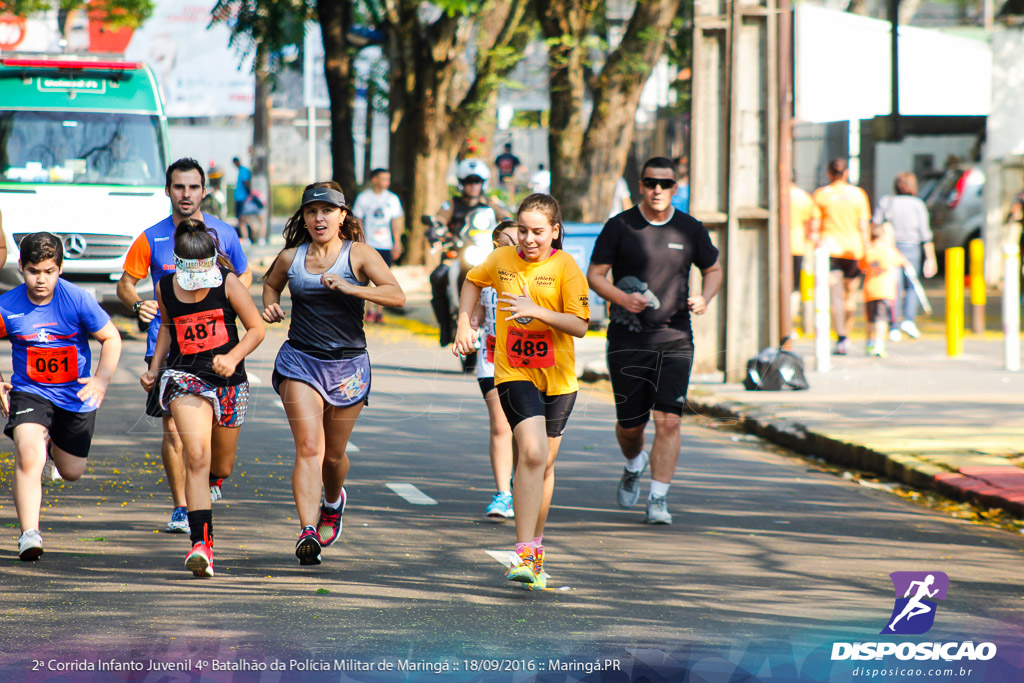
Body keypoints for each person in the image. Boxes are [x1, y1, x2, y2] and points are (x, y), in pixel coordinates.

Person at [262, 182, 406, 566]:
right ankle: (307, 530)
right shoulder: (291, 257)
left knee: (333, 456)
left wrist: (351, 288)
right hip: (300, 361)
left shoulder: (358, 254)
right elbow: (270, 285)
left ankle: (332, 501)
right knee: (310, 448)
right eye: (312, 212)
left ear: (343, 216)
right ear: (304, 218)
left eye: (327, 211)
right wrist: (271, 306)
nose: (319, 218)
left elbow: (397, 295)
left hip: (348, 365)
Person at [454, 193, 590, 590]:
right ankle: (524, 551)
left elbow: (580, 325)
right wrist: (466, 323)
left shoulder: (565, 266)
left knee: (543, 464)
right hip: (513, 371)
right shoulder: (501, 260)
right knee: (530, 452)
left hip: (559, 379)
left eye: (537, 232)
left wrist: (539, 311)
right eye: (523, 230)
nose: (528, 239)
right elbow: (471, 281)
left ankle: (536, 547)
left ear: (555, 231)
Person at [118, 158, 252, 534]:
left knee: (216, 459)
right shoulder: (151, 238)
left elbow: (243, 272)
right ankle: (182, 506)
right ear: (168, 190)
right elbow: (126, 283)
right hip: (170, 350)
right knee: (174, 431)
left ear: (204, 191)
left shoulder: (223, 233)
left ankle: (207, 477)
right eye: (179, 187)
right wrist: (136, 303)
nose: (186, 194)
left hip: (220, 353)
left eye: (193, 187)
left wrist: (231, 295)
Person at [586, 156, 722, 525]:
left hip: (675, 337)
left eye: (664, 184)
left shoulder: (690, 229)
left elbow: (713, 268)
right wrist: (621, 298)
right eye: (650, 183)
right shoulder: (620, 226)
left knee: (669, 421)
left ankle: (658, 499)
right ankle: (634, 463)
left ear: (675, 188)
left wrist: (705, 298)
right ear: (641, 186)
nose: (657, 190)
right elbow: (595, 275)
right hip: (628, 339)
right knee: (631, 426)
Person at [140, 220, 265, 577]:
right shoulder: (165, 286)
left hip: (228, 380)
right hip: (185, 376)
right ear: (177, 263)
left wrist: (233, 357)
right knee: (195, 454)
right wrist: (155, 366)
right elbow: (166, 326)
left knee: (220, 465)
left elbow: (256, 329)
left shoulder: (227, 282)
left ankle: (212, 483)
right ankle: (201, 543)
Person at [1, 232, 122, 561]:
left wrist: (101, 380)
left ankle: (54, 445)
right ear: (21, 268)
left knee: (71, 470)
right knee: (29, 454)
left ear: (60, 269)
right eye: (33, 271)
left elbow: (111, 338)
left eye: (49, 271)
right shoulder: (7, 305)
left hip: (76, 394)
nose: (41, 280)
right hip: (30, 392)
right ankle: (29, 534)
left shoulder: (77, 299)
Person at [471, 220, 519, 521]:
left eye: (518, 240)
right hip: (490, 358)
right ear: (494, 244)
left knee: (523, 429)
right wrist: (468, 328)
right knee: (501, 425)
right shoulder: (486, 273)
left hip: (527, 361)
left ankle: (517, 479)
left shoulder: (533, 274)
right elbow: (476, 311)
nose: (512, 246)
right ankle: (503, 495)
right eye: (505, 241)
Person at [811, 158, 871, 356]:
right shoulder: (858, 195)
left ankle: (841, 337)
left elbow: (814, 228)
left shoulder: (821, 195)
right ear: (846, 173)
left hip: (831, 251)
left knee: (835, 296)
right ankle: (848, 335)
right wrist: (867, 250)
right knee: (851, 296)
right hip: (854, 250)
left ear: (829, 173)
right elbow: (863, 226)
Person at [873, 172, 937, 341]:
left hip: (890, 248)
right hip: (912, 248)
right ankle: (909, 320)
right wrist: (930, 259)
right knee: (912, 286)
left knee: (894, 287)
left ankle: (893, 325)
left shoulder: (886, 202)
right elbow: (925, 234)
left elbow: (875, 226)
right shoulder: (918, 204)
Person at [352, 168, 405, 324]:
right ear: (374, 180)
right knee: (367, 277)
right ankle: (369, 310)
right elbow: (358, 220)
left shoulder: (392, 199)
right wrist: (360, 241)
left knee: (383, 279)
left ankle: (380, 312)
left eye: (388, 179)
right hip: (369, 244)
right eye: (383, 178)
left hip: (385, 244)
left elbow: (395, 222)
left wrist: (397, 242)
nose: (386, 182)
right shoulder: (364, 198)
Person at [859, 222, 908, 358]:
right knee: (882, 319)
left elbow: (862, 266)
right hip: (885, 290)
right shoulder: (890, 251)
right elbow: (903, 262)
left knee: (870, 319)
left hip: (870, 290)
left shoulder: (868, 252)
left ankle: (868, 342)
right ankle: (879, 344)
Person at [436, 158, 512, 236]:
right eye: (469, 181)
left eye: (477, 181)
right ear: (461, 183)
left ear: (483, 183)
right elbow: (442, 217)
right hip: (458, 246)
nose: (473, 186)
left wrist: (507, 222)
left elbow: (503, 215)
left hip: (486, 245)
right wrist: (436, 226)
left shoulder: (489, 202)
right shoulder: (452, 203)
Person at [790, 179, 818, 333]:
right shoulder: (804, 197)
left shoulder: (775, 195)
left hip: (777, 248)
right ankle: (797, 324)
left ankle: (787, 324)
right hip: (799, 246)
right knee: (796, 288)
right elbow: (812, 224)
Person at [232, 156, 264, 245]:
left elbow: (246, 183)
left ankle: (248, 238)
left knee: (243, 219)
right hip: (241, 198)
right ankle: (250, 237)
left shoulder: (244, 171)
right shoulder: (242, 171)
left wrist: (249, 195)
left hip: (243, 199)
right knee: (245, 219)